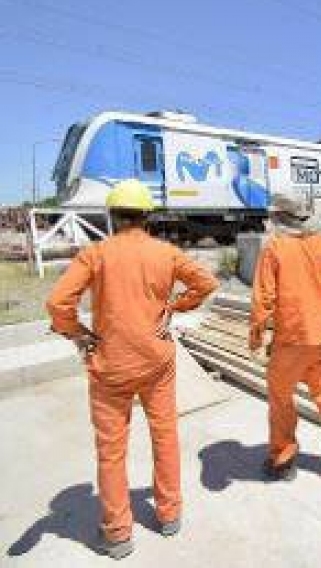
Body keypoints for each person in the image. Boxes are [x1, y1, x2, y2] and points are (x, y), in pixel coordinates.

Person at [46, 179, 218, 560]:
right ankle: (169, 515)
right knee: (165, 435)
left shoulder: (95, 254)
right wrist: (173, 308)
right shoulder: (166, 253)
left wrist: (79, 334)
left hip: (110, 366)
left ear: (112, 216)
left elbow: (58, 303)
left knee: (111, 451)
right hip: (157, 361)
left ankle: (119, 534)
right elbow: (206, 282)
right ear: (147, 216)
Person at [249, 194, 321, 483]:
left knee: (281, 399)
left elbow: (263, 299)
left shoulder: (274, 248)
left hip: (292, 340)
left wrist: (256, 338)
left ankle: (283, 460)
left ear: (279, 219)